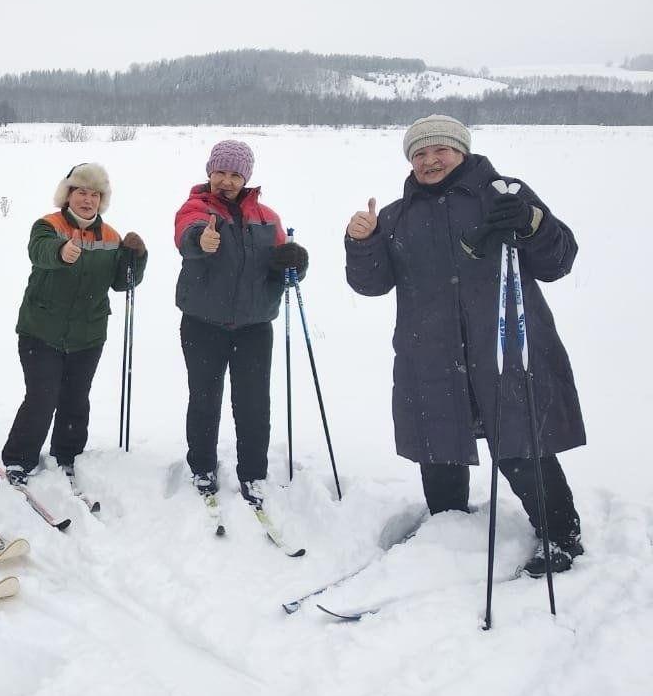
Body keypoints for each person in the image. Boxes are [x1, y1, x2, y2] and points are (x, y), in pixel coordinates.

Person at [344, 115, 585, 576]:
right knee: (439, 445)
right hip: (429, 352)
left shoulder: (506, 196)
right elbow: (370, 285)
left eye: (441, 150)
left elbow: (559, 260)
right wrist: (362, 243)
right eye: (420, 154)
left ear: (462, 151)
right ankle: (447, 532)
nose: (430, 160)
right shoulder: (396, 217)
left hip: (505, 346)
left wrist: (534, 223)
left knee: (522, 443)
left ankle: (560, 534)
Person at [173, 139, 308, 507]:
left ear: (246, 177)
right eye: (221, 172)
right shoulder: (196, 208)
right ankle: (201, 466)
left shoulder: (267, 218)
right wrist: (202, 239)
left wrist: (296, 261)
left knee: (253, 403)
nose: (227, 181)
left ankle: (253, 473)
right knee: (204, 399)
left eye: (235, 174)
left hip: (254, 326)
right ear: (209, 173)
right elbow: (187, 234)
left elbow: (285, 269)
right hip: (203, 324)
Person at [1, 162, 147, 483]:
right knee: (42, 397)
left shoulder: (110, 237)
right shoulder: (48, 225)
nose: (88, 199)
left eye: (95, 194)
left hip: (88, 334)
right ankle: (18, 459)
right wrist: (61, 251)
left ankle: (67, 455)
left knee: (76, 398)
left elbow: (124, 282)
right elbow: (38, 251)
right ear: (67, 194)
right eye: (81, 191)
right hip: (40, 331)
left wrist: (137, 257)